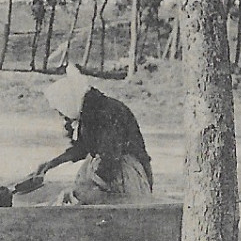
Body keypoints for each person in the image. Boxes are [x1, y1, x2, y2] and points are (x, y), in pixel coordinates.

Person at [25, 66, 153, 204]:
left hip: (125, 173)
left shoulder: (107, 113)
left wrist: (86, 191)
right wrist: (51, 164)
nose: (62, 115)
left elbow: (110, 158)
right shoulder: (90, 111)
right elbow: (82, 148)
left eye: (60, 111)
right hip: (109, 165)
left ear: (68, 103)